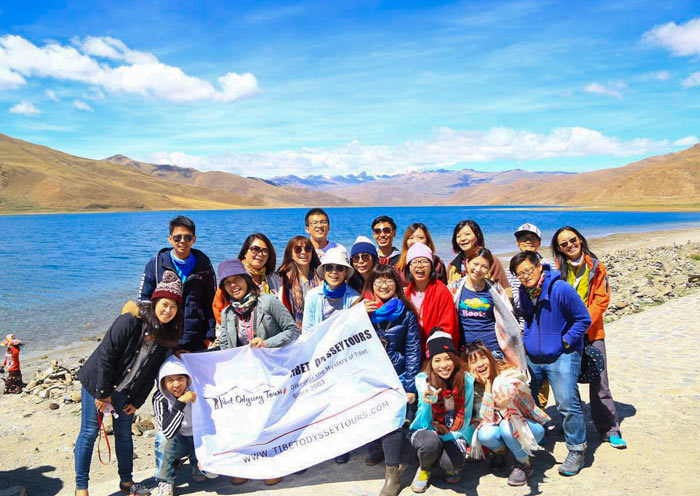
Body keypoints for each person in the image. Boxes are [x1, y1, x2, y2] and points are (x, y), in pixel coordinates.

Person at [75, 272, 184, 496]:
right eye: (165, 304)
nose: (168, 311)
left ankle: (126, 482)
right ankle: (81, 488)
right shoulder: (129, 321)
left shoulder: (164, 336)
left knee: (124, 434)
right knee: (89, 432)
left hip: (126, 391)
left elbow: (150, 373)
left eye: (174, 307)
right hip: (98, 382)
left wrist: (136, 401)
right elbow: (106, 356)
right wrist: (102, 393)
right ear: (154, 302)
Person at [217, 258, 300, 485]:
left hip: (272, 372)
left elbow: (292, 331)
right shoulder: (227, 314)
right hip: (244, 376)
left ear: (246, 280)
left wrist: (267, 343)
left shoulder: (268, 302)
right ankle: (246, 464)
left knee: (270, 419)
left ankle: (272, 464)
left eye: (237, 280)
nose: (234, 285)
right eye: (228, 283)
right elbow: (225, 346)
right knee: (245, 420)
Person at [510, 251, 591, 476]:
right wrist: (526, 340)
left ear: (539, 266)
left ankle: (577, 449)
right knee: (529, 401)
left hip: (563, 353)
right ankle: (533, 441)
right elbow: (526, 317)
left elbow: (583, 319)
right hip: (535, 355)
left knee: (566, 401)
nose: (525, 276)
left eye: (528, 270)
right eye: (520, 274)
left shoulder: (560, 288)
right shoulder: (524, 291)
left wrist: (564, 341)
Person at [552, 226, 626, 449]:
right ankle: (572, 428)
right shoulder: (556, 268)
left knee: (600, 382)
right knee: (567, 382)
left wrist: (582, 325)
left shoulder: (595, 266)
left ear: (580, 240)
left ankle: (610, 429)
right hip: (565, 335)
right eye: (563, 244)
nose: (569, 246)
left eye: (572, 240)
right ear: (559, 249)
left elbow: (601, 300)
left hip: (592, 333)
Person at [359, 264, 421, 496]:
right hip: (372, 376)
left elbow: (413, 350)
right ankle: (377, 448)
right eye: (378, 281)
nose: (383, 285)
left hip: (398, 374)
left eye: (388, 280)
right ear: (371, 285)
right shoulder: (362, 310)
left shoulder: (406, 312)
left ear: (397, 284)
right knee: (372, 416)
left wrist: (409, 385)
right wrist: (359, 315)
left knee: (393, 419)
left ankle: (393, 474)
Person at [302, 247, 360, 463]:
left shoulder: (354, 298)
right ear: (323, 271)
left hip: (343, 355)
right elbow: (308, 329)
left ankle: (341, 444)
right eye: (330, 268)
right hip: (318, 354)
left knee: (342, 401)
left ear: (346, 273)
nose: (334, 272)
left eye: (339, 268)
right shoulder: (313, 296)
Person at [466, 342, 550, 487]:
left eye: (483, 358)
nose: (480, 364)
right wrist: (487, 387)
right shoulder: (477, 387)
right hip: (505, 428)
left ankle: (523, 463)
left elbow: (514, 388)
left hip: (530, 428)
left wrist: (506, 402)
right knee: (484, 434)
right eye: (474, 362)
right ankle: (501, 452)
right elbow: (485, 420)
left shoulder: (508, 375)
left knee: (506, 424)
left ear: (491, 358)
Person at [409, 330, 475, 493]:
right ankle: (424, 467)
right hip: (427, 429)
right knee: (430, 444)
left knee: (451, 464)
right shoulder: (423, 380)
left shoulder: (466, 380)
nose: (443, 365)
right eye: (437, 360)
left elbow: (466, 415)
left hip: (455, 430)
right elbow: (423, 419)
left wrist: (448, 435)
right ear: (430, 362)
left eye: (447, 358)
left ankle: (446, 463)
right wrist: (427, 401)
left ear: (454, 359)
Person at [139, 215, 216, 352]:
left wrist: (209, 336)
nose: (182, 241)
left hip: (194, 337)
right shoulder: (156, 265)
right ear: (170, 239)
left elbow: (210, 301)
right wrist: (151, 330)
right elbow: (144, 301)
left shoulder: (204, 265)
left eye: (187, 237)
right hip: (162, 336)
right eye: (177, 237)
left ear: (194, 239)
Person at [506, 223, 554, 407]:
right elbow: (514, 301)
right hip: (521, 331)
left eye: (531, 238)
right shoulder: (513, 267)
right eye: (522, 238)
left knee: (544, 376)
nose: (527, 241)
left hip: (545, 330)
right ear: (517, 243)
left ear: (539, 242)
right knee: (525, 375)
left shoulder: (549, 266)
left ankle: (540, 410)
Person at [448, 248, 520, 361]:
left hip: (492, 351)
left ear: (488, 269)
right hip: (464, 352)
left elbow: (508, 317)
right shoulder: (454, 288)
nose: (478, 269)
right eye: (475, 264)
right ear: (467, 263)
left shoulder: (495, 289)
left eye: (484, 266)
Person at [152, 357, 209, 496]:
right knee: (162, 437)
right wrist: (180, 403)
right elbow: (168, 432)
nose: (176, 384)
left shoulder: (199, 391)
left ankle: (196, 462)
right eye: (170, 380)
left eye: (180, 379)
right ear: (163, 384)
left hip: (199, 439)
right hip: (179, 442)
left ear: (187, 379)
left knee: (210, 474)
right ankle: (165, 481)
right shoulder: (160, 398)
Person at [212, 233, 281, 325]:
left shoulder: (273, 279)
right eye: (255, 249)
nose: (260, 254)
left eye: (265, 251)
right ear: (245, 252)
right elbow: (218, 307)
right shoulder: (232, 275)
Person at [403, 243, 459, 352]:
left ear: (431, 266)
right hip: (413, 351)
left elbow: (448, 326)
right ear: (408, 267)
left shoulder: (441, 290)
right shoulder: (406, 294)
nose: (419, 266)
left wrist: (433, 351)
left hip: (437, 351)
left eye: (424, 261)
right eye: (414, 262)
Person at [447, 220, 511, 298]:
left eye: (467, 234)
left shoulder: (492, 261)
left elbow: (506, 290)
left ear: (477, 236)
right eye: (458, 236)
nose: (462, 239)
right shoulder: (452, 266)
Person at [276, 236, 322, 330]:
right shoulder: (283, 280)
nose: (303, 252)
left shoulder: (322, 277)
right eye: (298, 249)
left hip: (318, 330)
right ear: (291, 254)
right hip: (293, 333)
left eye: (308, 249)